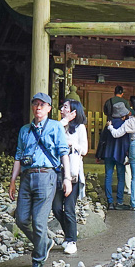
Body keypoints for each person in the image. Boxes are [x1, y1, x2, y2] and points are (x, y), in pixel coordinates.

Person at [9, 93, 71, 267]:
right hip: (27, 177)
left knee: (38, 221)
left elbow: (63, 152)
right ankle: (44, 242)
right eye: (35, 104)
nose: (38, 108)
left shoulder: (55, 127)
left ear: (49, 108)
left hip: (46, 175)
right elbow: (18, 156)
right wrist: (13, 181)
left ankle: (38, 262)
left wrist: (67, 178)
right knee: (21, 219)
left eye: (42, 105)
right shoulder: (25, 130)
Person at [52, 100, 87, 255]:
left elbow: (84, 150)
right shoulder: (58, 125)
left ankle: (71, 241)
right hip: (56, 171)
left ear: (74, 112)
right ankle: (70, 233)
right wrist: (64, 122)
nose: (62, 109)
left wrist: (72, 147)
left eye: (65, 107)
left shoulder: (80, 128)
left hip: (73, 172)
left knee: (69, 208)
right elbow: (51, 137)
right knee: (57, 207)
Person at [103, 102, 131, 209]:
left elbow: (103, 140)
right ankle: (119, 202)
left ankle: (109, 202)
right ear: (122, 115)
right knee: (121, 177)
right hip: (120, 153)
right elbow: (127, 141)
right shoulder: (125, 124)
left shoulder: (108, 124)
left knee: (108, 176)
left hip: (108, 153)